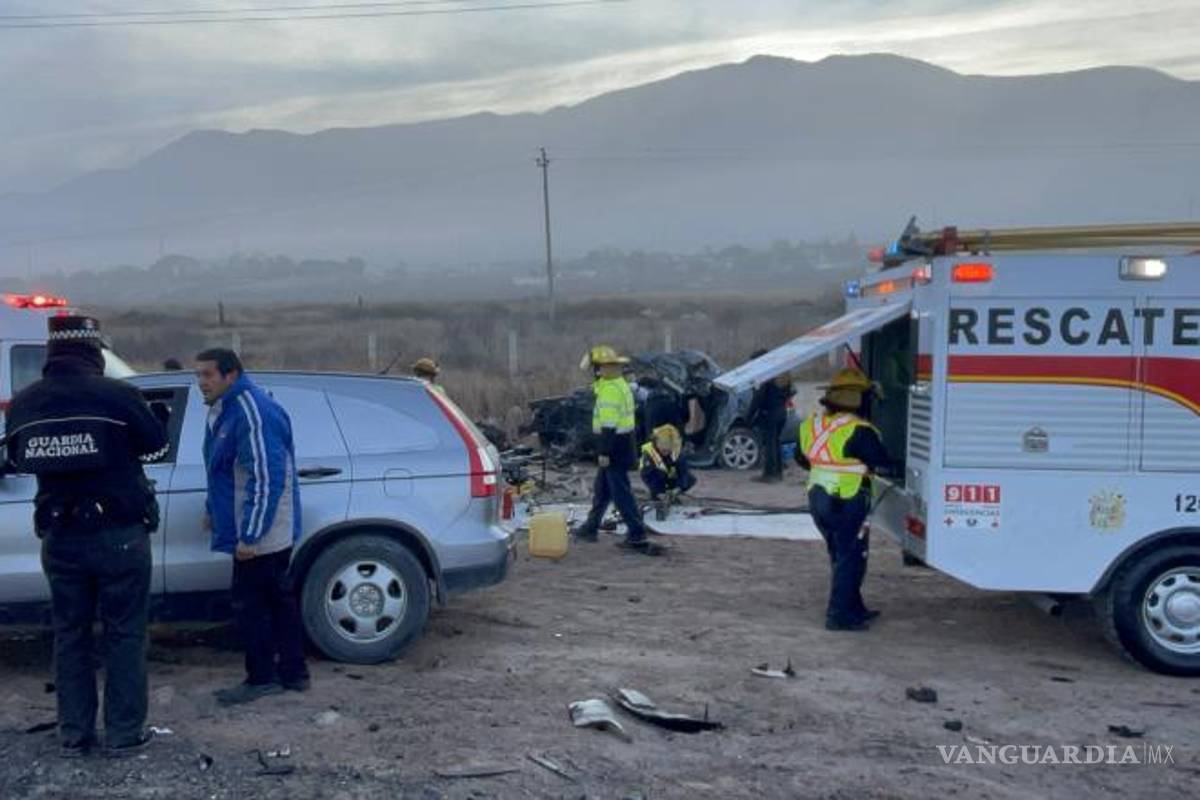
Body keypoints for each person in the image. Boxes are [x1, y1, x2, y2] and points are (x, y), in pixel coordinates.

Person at [4, 315, 167, 758]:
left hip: (60, 537)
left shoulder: (25, 403)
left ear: (52, 351)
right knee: (124, 635)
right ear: (93, 351)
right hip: (119, 535)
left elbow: (16, 459)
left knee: (70, 635)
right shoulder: (118, 396)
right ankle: (124, 734)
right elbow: (156, 443)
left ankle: (74, 734)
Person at [194, 348, 309, 705]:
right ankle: (293, 673)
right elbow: (223, 470)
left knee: (252, 605)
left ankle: (261, 678)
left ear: (231, 375)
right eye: (198, 375)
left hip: (263, 530)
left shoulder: (250, 410)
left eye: (208, 375)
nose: (201, 383)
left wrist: (251, 535)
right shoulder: (226, 409)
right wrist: (213, 509)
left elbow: (265, 477)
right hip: (255, 525)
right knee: (277, 600)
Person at [796, 367, 892, 632]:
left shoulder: (811, 425)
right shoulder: (860, 430)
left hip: (818, 499)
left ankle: (854, 607)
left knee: (840, 554)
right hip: (848, 500)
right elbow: (882, 461)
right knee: (851, 556)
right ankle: (839, 615)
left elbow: (802, 459)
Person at [572, 345, 654, 553]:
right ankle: (590, 527)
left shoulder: (609, 390)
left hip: (614, 447)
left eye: (596, 368)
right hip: (622, 445)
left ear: (601, 369)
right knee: (602, 490)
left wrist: (604, 453)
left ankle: (637, 534)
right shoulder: (618, 384)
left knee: (621, 494)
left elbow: (609, 425)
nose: (595, 372)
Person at [748, 348, 794, 483]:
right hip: (781, 412)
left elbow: (759, 397)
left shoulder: (766, 376)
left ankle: (769, 475)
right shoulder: (782, 373)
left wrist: (749, 415)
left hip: (769, 414)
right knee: (776, 442)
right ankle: (778, 473)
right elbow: (791, 392)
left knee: (769, 444)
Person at [639, 424, 696, 520]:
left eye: (668, 450)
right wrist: (658, 492)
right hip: (655, 476)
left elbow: (684, 472)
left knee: (690, 479)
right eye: (663, 449)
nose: (665, 452)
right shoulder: (649, 452)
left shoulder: (675, 450)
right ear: (656, 442)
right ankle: (658, 495)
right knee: (658, 475)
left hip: (669, 476)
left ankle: (672, 495)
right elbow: (648, 475)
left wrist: (678, 488)